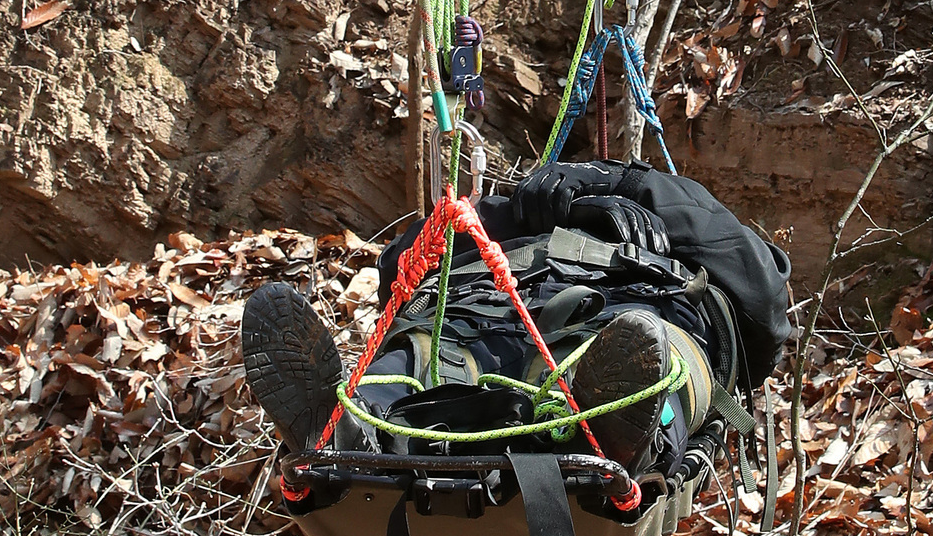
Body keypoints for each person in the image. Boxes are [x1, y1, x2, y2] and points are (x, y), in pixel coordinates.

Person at [242, 158, 791, 498]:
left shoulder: (682, 223)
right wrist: (510, 215)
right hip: (477, 316)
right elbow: (402, 265)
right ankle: (347, 426)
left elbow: (762, 296)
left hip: (622, 312)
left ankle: (609, 431)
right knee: (419, 354)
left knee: (636, 349)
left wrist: (622, 188)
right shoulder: (497, 215)